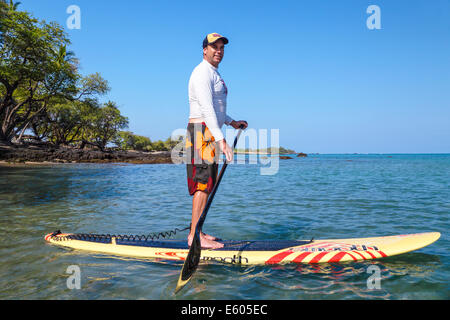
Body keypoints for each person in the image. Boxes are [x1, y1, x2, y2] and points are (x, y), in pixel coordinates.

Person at [186, 33, 248, 249]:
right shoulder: (202, 73)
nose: (219, 51)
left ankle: (198, 230)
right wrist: (222, 140)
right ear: (205, 50)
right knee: (202, 186)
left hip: (209, 132)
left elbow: (217, 109)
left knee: (207, 184)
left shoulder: (214, 73)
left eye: (222, 47)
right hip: (202, 132)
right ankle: (194, 237)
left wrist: (232, 122)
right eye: (214, 47)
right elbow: (205, 108)